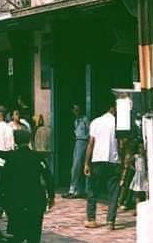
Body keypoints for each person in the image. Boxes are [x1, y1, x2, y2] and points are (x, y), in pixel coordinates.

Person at [0, 129, 55, 243]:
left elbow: (4, 182)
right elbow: (48, 177)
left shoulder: (11, 158)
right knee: (34, 235)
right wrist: (51, 196)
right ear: (29, 140)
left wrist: (1, 201)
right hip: (36, 202)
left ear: (15, 141)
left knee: (14, 235)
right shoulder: (37, 157)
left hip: (16, 202)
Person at [83, 96, 120, 230]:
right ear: (112, 108)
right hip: (114, 160)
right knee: (114, 192)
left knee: (93, 190)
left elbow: (90, 144)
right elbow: (121, 143)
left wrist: (86, 163)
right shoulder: (118, 123)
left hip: (97, 160)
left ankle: (91, 218)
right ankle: (110, 221)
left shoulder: (96, 122)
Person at [63, 104, 90, 199]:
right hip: (77, 141)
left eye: (77, 110)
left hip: (84, 142)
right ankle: (76, 189)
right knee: (75, 166)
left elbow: (89, 132)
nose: (76, 112)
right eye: (75, 110)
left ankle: (77, 189)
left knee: (78, 166)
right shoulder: (76, 121)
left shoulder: (85, 120)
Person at [0, 106, 14, 219]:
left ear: (0, 114)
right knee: (5, 186)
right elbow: (11, 145)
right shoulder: (9, 128)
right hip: (7, 160)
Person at [129, 139, 148, 215]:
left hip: (145, 175)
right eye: (139, 148)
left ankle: (146, 209)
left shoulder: (146, 157)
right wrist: (135, 169)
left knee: (146, 192)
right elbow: (129, 162)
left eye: (142, 148)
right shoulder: (136, 156)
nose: (141, 150)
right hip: (138, 175)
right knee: (137, 193)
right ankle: (137, 209)